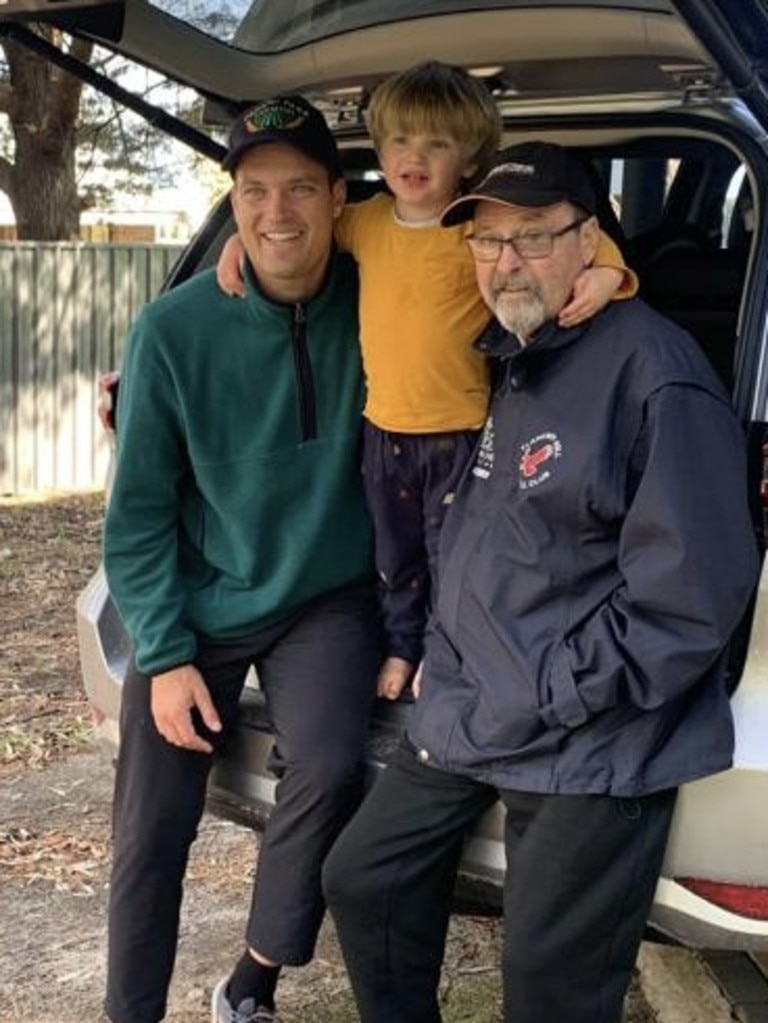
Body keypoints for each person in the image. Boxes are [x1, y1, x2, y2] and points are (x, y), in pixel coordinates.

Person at [321, 141, 760, 1023]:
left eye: (531, 237)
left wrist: (557, 689)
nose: (504, 262)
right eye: (486, 242)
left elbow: (689, 601)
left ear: (589, 241)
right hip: (478, 701)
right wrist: (453, 662)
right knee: (361, 876)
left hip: (593, 732)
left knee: (548, 983)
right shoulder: (519, 350)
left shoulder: (658, 374)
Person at [217, 62, 639, 702]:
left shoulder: (475, 228)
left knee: (455, 557)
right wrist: (235, 245)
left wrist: (607, 270)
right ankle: (401, 646)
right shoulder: (364, 221)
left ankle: (447, 652)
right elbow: (290, 235)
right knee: (394, 557)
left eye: (437, 145)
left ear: (468, 161)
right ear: (380, 151)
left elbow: (576, 239)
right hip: (382, 431)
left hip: (464, 433)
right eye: (400, 142)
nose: (414, 158)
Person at [102, 96, 381, 1023]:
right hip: (201, 598)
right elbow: (138, 517)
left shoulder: (385, 293)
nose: (277, 213)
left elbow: (499, 248)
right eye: (255, 191)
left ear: (340, 196)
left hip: (324, 596)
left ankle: (250, 983)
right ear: (233, 201)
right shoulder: (172, 334)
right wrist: (167, 654)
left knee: (334, 766)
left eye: (301, 186)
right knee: (149, 834)